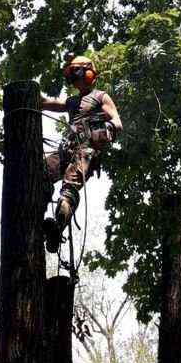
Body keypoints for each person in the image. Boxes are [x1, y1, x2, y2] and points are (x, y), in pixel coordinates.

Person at [41, 55, 122, 253]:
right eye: (72, 73)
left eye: (77, 72)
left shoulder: (100, 96)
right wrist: (35, 99)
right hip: (66, 148)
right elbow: (50, 104)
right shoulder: (72, 101)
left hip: (85, 150)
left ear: (88, 73)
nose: (75, 77)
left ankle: (57, 227)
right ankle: (37, 210)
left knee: (68, 190)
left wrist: (101, 131)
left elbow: (117, 123)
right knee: (39, 171)